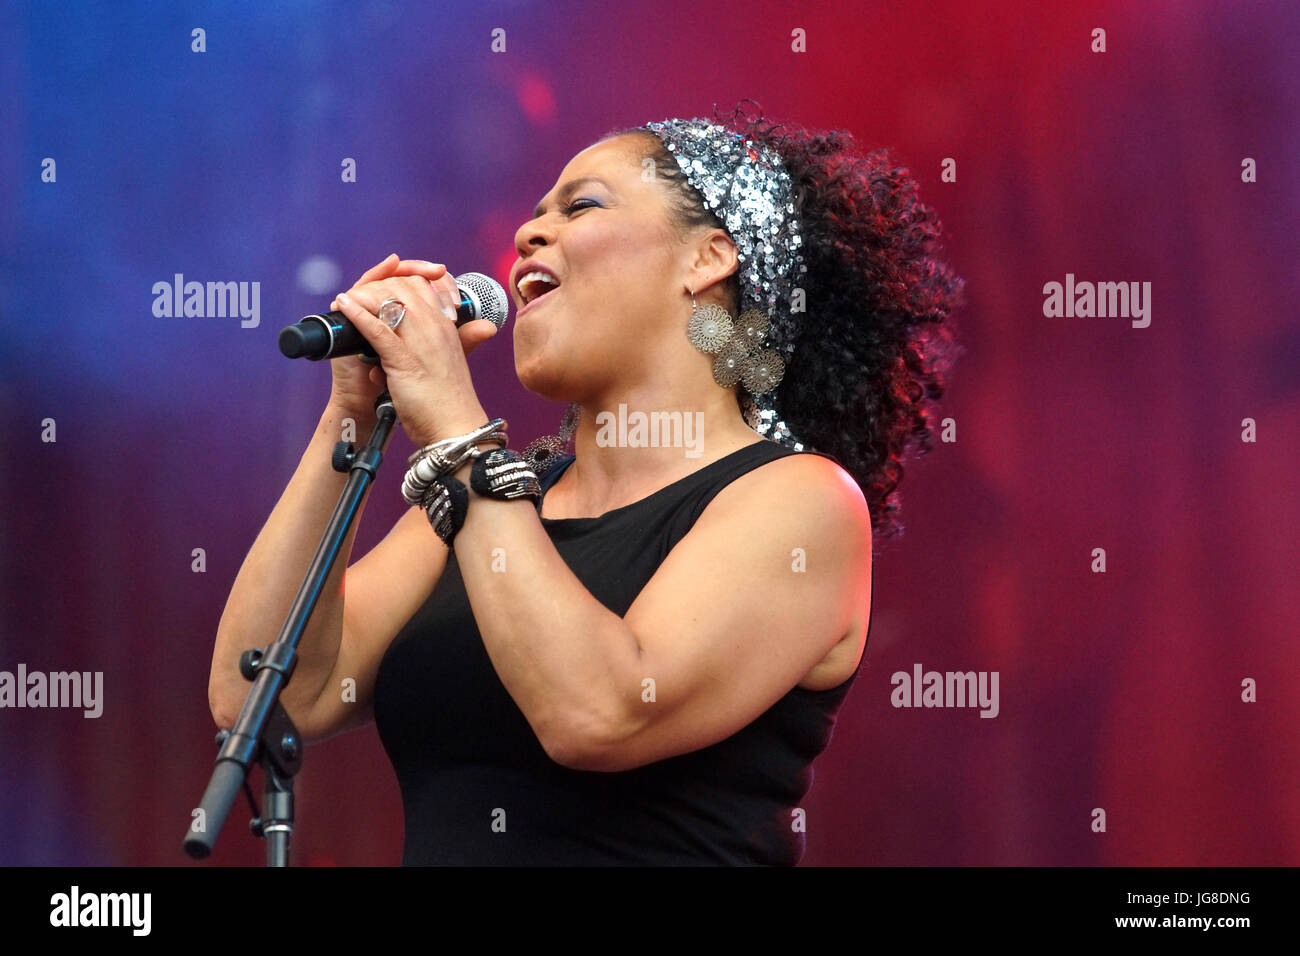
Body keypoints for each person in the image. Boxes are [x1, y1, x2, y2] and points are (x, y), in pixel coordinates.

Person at [208, 102, 964, 865]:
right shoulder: (495, 501)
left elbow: (600, 713)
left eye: (581, 206)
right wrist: (350, 412)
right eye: (535, 215)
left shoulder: (803, 502)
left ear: (708, 259)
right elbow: (271, 694)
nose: (528, 233)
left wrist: (451, 425)